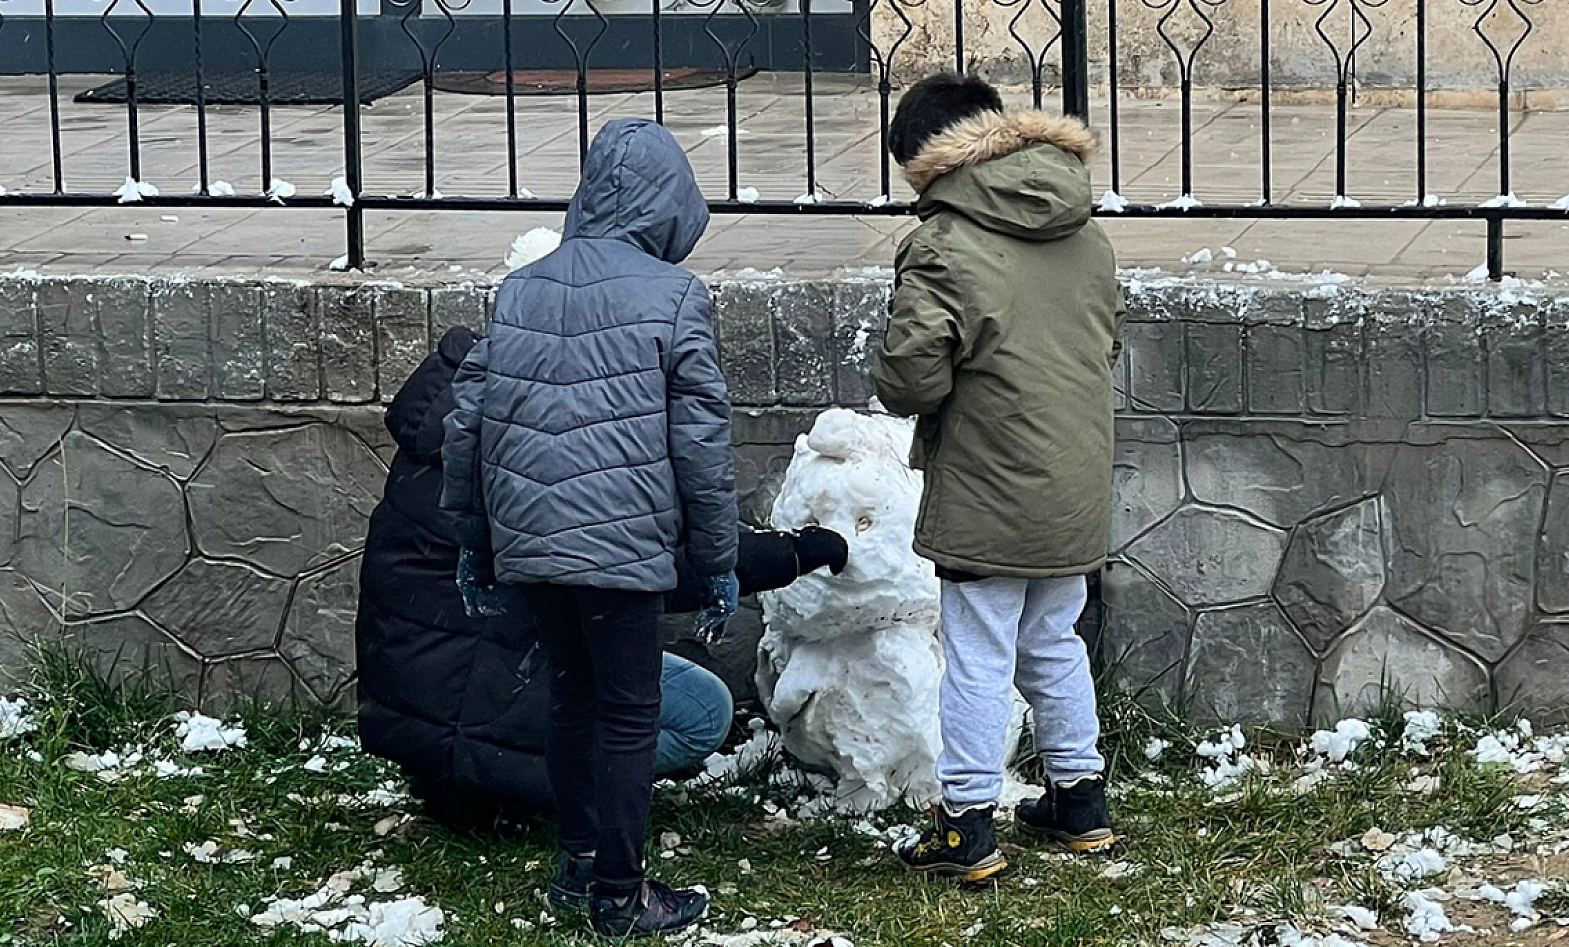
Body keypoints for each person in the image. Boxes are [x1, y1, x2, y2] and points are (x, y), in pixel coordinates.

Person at [356, 326, 849, 839]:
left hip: (414, 703)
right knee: (703, 710)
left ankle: (475, 778)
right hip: (481, 707)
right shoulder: (529, 463)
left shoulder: (443, 442)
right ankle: (525, 784)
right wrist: (790, 554)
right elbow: (641, 570)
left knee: (655, 661)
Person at [441, 117, 740, 939]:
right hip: (623, 545)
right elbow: (702, 444)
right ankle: (621, 894)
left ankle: (578, 866)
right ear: (671, 204)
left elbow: (469, 424)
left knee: (571, 694)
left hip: (531, 537)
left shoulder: (521, 289)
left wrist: (475, 541)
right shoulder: (675, 296)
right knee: (630, 710)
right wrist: (716, 557)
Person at [872, 74, 1124, 882]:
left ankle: (966, 823)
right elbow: (1105, 343)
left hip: (989, 481)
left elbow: (911, 380)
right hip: (1073, 479)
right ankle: (1080, 798)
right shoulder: (1084, 227)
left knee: (978, 650)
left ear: (927, 158)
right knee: (1052, 635)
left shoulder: (945, 242)